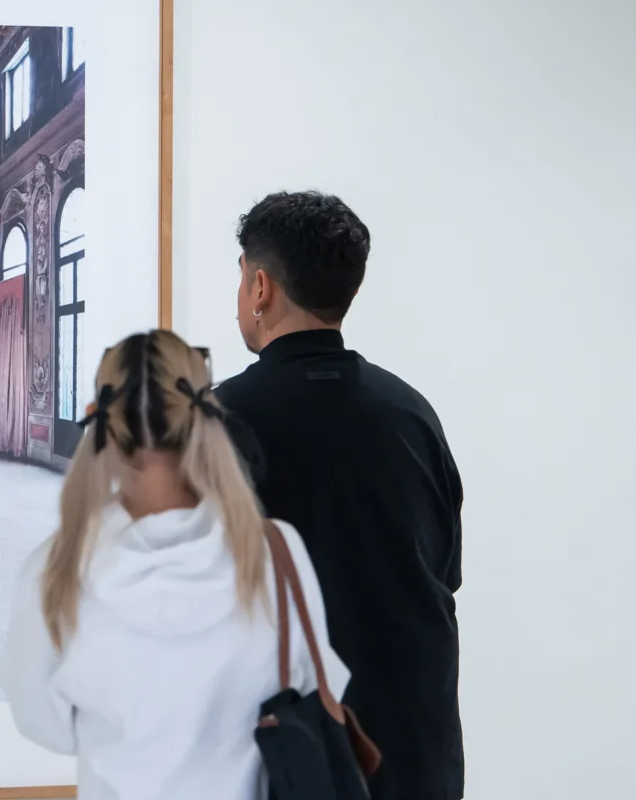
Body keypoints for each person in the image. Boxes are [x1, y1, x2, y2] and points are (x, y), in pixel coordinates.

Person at [0, 330, 350, 800]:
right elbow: (320, 686)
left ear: (97, 421)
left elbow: (46, 726)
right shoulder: (275, 554)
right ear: (205, 418)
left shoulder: (53, 572)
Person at [215, 191, 465, 800]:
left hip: (290, 757)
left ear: (261, 287)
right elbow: (445, 573)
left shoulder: (217, 422)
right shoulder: (411, 413)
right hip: (414, 749)